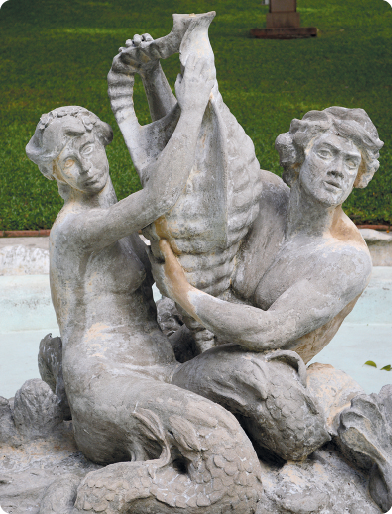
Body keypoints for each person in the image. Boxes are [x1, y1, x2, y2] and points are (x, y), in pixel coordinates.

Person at [26, 54, 263, 513]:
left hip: (161, 368)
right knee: (221, 444)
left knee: (256, 382)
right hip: (105, 383)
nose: (86, 167)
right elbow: (160, 194)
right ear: (51, 172)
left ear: (103, 142)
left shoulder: (120, 227)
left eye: (89, 149)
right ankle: (94, 496)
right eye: (67, 162)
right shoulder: (74, 229)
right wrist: (192, 107)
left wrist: (153, 74)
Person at [152, 106, 384, 460]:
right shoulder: (263, 192)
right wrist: (155, 78)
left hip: (255, 369)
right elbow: (191, 161)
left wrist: (182, 291)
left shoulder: (345, 260)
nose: (338, 171)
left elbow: (269, 332)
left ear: (359, 176)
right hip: (195, 330)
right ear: (296, 157)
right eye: (325, 154)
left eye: (351, 163)